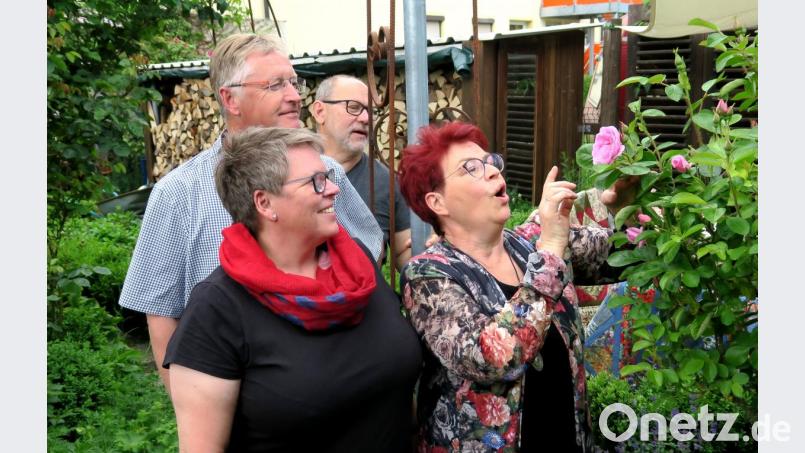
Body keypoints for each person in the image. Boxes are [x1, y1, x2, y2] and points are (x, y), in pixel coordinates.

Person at [118, 33, 384, 391]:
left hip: (338, 381)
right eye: (275, 85)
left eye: (294, 82)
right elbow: (161, 314)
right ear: (231, 99)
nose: (294, 96)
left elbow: (367, 262)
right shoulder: (178, 194)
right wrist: (191, 404)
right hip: (238, 399)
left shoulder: (328, 174)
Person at [164, 126, 422, 451]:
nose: (334, 189)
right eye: (316, 181)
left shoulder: (356, 266)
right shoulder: (218, 308)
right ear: (264, 203)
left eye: (328, 177)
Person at [398, 122, 624, 452]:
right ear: (438, 202)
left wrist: (628, 205)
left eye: (490, 162)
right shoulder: (428, 276)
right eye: (471, 168)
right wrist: (550, 251)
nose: (492, 171)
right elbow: (493, 358)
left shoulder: (530, 242)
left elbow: (621, 255)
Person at [310, 75, 412, 270]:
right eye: (354, 107)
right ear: (320, 111)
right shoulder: (288, 169)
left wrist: (430, 250)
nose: (366, 119)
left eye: (370, 111)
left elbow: (405, 255)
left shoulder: (386, 182)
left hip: (363, 289)